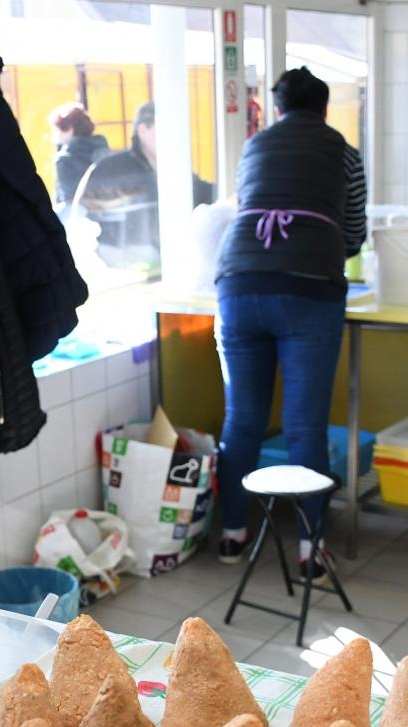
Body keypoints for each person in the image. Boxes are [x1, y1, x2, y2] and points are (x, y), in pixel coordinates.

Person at [211, 67, 367, 578]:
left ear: (277, 109)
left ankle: (233, 534)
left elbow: (250, 206)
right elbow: (353, 231)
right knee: (304, 428)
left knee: (242, 422)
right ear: (324, 109)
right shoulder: (342, 151)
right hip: (308, 290)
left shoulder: (254, 147)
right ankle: (309, 549)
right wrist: (325, 249)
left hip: (238, 283)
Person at [76, 102, 213, 270]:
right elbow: (88, 219)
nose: (173, 136)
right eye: (165, 129)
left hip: (166, 261)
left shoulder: (172, 166)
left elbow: (201, 193)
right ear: (143, 130)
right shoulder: (111, 170)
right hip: (122, 266)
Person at [48, 102, 108, 209]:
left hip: (78, 217)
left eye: (57, 129)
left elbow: (68, 199)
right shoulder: (102, 147)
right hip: (110, 212)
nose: (54, 134)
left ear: (69, 129)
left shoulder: (64, 159)